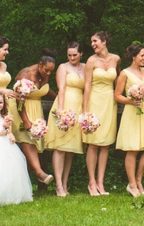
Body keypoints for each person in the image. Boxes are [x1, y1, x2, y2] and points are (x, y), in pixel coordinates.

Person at [6, 49, 57, 186]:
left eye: (51, 71)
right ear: (40, 64)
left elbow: (45, 90)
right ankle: (40, 173)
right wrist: (26, 121)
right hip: (21, 110)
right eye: (46, 70)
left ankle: (23, 185)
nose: (48, 74)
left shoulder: (45, 74)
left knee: (32, 143)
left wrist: (60, 100)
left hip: (36, 110)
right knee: (27, 141)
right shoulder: (26, 75)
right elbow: (18, 100)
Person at [45, 41, 85, 197]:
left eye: (75, 55)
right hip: (65, 104)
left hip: (78, 106)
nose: (72, 57)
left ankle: (65, 183)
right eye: (69, 55)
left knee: (71, 149)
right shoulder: (63, 67)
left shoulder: (85, 67)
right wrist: (61, 111)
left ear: (81, 54)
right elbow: (61, 88)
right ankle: (58, 185)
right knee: (60, 147)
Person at [115, 43, 144, 197]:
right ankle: (132, 184)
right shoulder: (124, 73)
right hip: (132, 111)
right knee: (133, 149)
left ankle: (138, 179)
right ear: (134, 57)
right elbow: (117, 95)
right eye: (142, 55)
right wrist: (131, 101)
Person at [82, 33, 120, 196]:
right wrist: (85, 110)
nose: (92, 44)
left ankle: (100, 182)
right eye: (91, 41)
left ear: (104, 42)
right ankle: (91, 182)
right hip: (95, 101)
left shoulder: (116, 59)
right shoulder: (91, 61)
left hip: (109, 101)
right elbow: (88, 85)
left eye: (95, 41)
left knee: (106, 143)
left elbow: (119, 79)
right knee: (94, 143)